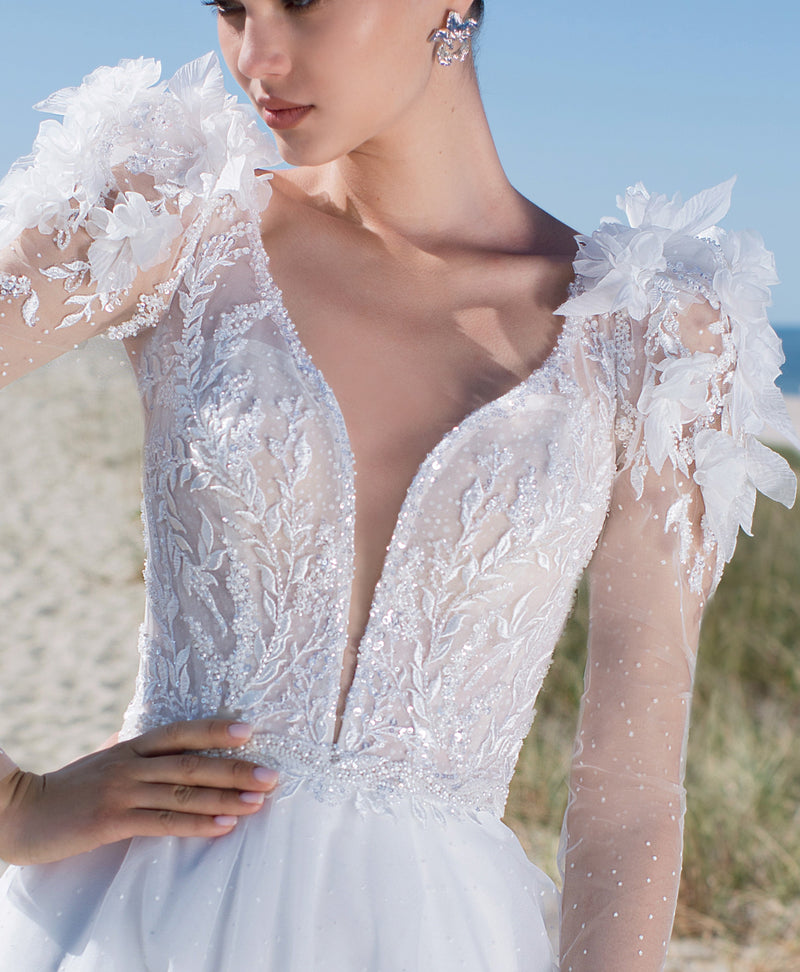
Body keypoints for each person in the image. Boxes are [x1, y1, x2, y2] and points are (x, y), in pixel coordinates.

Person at [0, 2, 796, 970]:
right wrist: (13, 804)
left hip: (436, 934)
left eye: (300, 1)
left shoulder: (653, 334)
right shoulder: (173, 218)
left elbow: (626, 792)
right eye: (229, 8)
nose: (257, 55)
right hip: (135, 922)